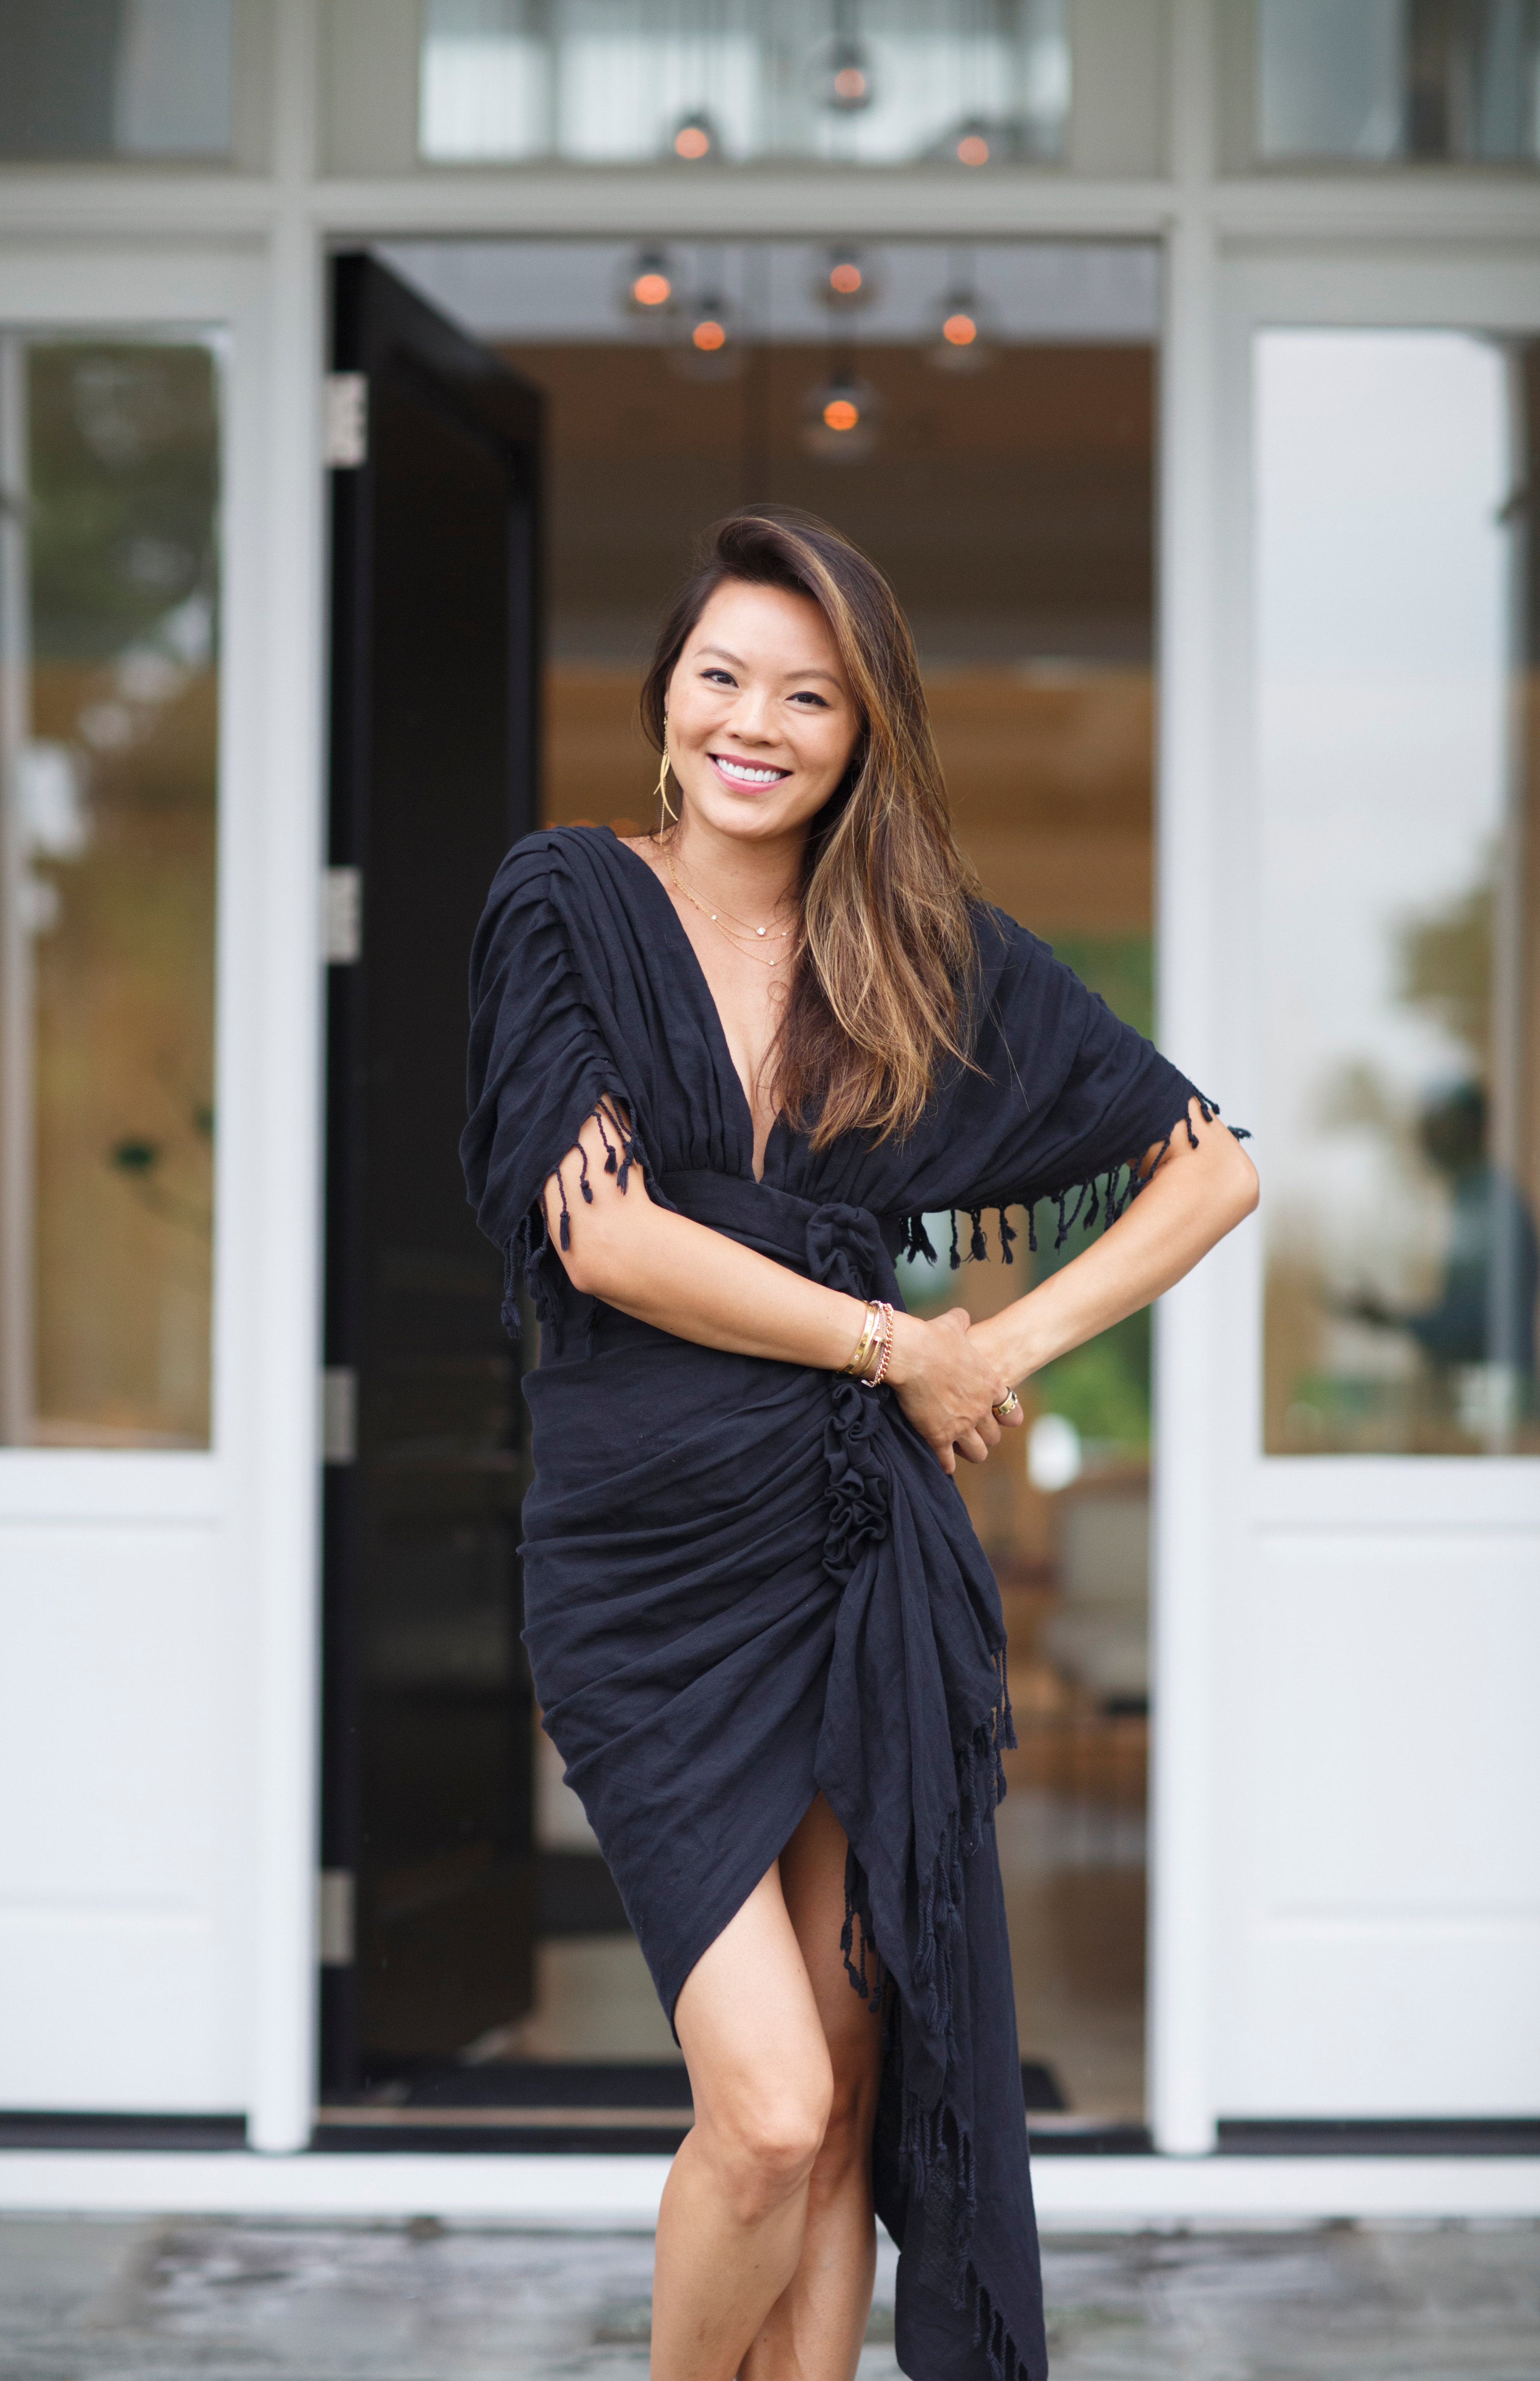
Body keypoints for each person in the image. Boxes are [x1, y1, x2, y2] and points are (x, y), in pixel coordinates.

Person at [461, 509, 1257, 2381]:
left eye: (810, 695)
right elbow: (604, 1235)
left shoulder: (912, 958)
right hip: (645, 1569)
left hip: (855, 1560)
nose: (759, 722)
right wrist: (901, 1342)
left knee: (847, 2091)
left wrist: (1011, 1344)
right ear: (668, 696)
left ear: (863, 732)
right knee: (764, 2106)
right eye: (725, 676)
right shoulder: (567, 902)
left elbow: (1208, 1165)